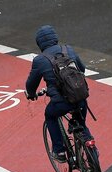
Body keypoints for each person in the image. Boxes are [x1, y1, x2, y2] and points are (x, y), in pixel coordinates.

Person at [25, 25, 91, 163]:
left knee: (50, 115)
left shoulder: (40, 60)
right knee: (82, 125)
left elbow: (31, 84)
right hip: (80, 96)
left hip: (61, 102)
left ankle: (59, 151)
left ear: (39, 44)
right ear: (55, 38)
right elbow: (82, 69)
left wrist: (31, 94)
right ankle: (92, 154)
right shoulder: (68, 50)